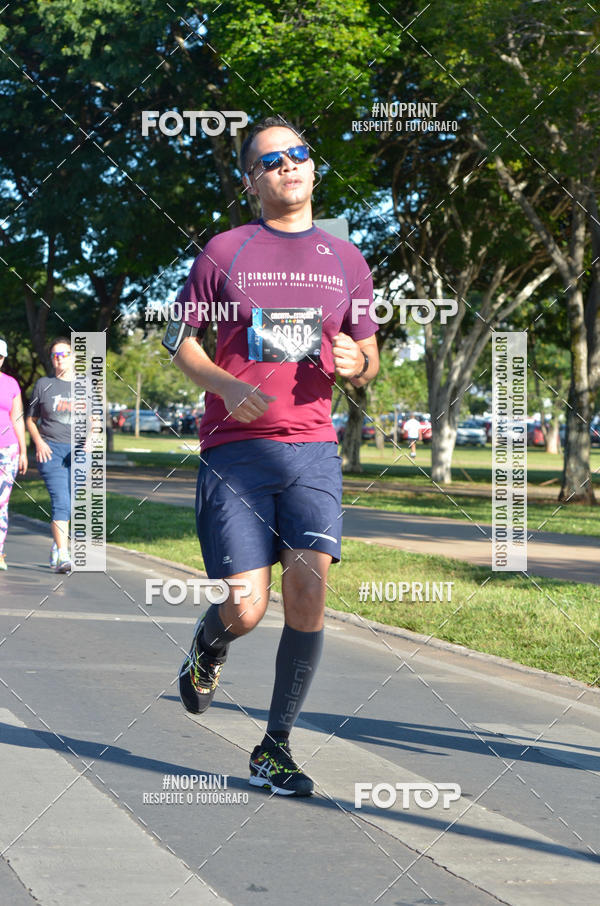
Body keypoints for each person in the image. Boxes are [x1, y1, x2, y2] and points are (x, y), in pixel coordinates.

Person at [167, 116, 379, 797]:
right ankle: (209, 645)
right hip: (236, 452)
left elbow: (367, 350)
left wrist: (359, 361)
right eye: (273, 159)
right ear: (251, 180)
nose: (290, 165)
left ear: (313, 167)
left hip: (314, 449)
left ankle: (274, 747)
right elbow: (181, 341)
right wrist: (226, 384)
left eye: (300, 154)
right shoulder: (223, 251)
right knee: (248, 608)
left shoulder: (348, 259)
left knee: (309, 595)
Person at [25, 337, 73, 573]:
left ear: (72, 356)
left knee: (71, 504)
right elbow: (30, 419)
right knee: (61, 502)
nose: (58, 359)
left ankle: (57, 546)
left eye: (63, 354)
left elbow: (94, 420)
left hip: (76, 453)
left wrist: (88, 443)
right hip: (51, 450)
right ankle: (64, 555)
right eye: (55, 355)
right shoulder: (44, 384)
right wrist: (39, 442)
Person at [0, 338, 28, 569]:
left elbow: (17, 418)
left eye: (0, 356)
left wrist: (23, 450)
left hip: (7, 449)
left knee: (2, 502)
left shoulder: (11, 384)